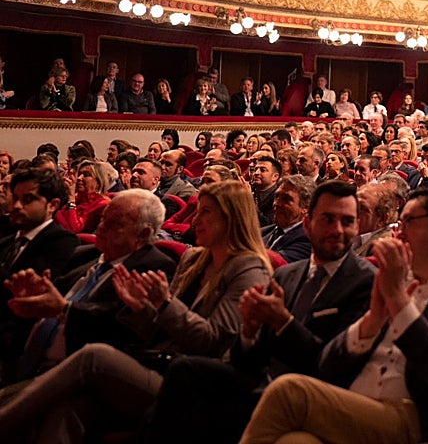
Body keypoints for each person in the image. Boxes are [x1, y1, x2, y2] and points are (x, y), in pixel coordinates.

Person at [0, 181, 272, 442]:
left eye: (206, 212)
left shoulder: (248, 268)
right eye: (197, 211)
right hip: (159, 361)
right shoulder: (193, 259)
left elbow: (213, 342)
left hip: (196, 384)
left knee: (94, 356)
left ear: (232, 217)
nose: (195, 220)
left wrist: (164, 303)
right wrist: (139, 308)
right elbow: (154, 330)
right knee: (68, 409)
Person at [238, 187, 428, 444]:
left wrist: (399, 303)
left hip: (412, 414)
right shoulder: (395, 278)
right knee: (294, 441)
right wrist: (372, 321)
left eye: (407, 223)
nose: (397, 234)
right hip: (354, 403)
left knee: (289, 392)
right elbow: (325, 365)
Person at [144, 181, 375, 444]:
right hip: (261, 381)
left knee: (186, 389)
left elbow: (333, 365)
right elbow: (248, 360)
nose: (338, 230)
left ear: (357, 227)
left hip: (311, 394)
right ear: (308, 224)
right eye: (328, 219)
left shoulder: (365, 282)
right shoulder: (288, 274)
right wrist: (250, 332)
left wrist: (284, 322)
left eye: (348, 221)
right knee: (187, 375)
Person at [8, 189, 176, 379]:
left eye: (114, 223)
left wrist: (65, 310)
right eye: (103, 219)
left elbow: (119, 328)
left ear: (142, 234)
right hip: (24, 357)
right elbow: (50, 301)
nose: (101, 227)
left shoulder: (153, 268)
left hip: (74, 374)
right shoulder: (85, 254)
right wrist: (36, 295)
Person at [0, 167, 80, 380]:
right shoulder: (9, 240)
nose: (16, 206)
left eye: (27, 200)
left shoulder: (62, 241)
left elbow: (26, 293)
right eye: (15, 198)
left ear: (52, 205)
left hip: (18, 335)